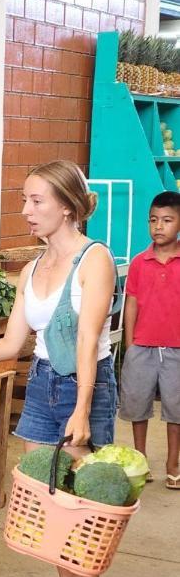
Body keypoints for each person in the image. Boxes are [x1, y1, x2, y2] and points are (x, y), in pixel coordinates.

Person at [0, 160, 117, 577]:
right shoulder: (33, 268)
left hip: (85, 387)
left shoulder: (94, 260)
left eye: (36, 201)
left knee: (83, 507)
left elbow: (88, 340)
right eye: (25, 200)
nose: (26, 211)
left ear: (68, 206)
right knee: (47, 499)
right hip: (41, 387)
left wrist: (81, 409)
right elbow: (12, 343)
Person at [120, 191, 180, 489]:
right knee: (137, 404)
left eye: (167, 220)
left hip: (176, 348)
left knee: (177, 408)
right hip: (141, 346)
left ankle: (173, 463)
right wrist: (130, 344)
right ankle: (140, 458)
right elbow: (131, 303)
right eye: (154, 220)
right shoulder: (139, 263)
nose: (159, 226)